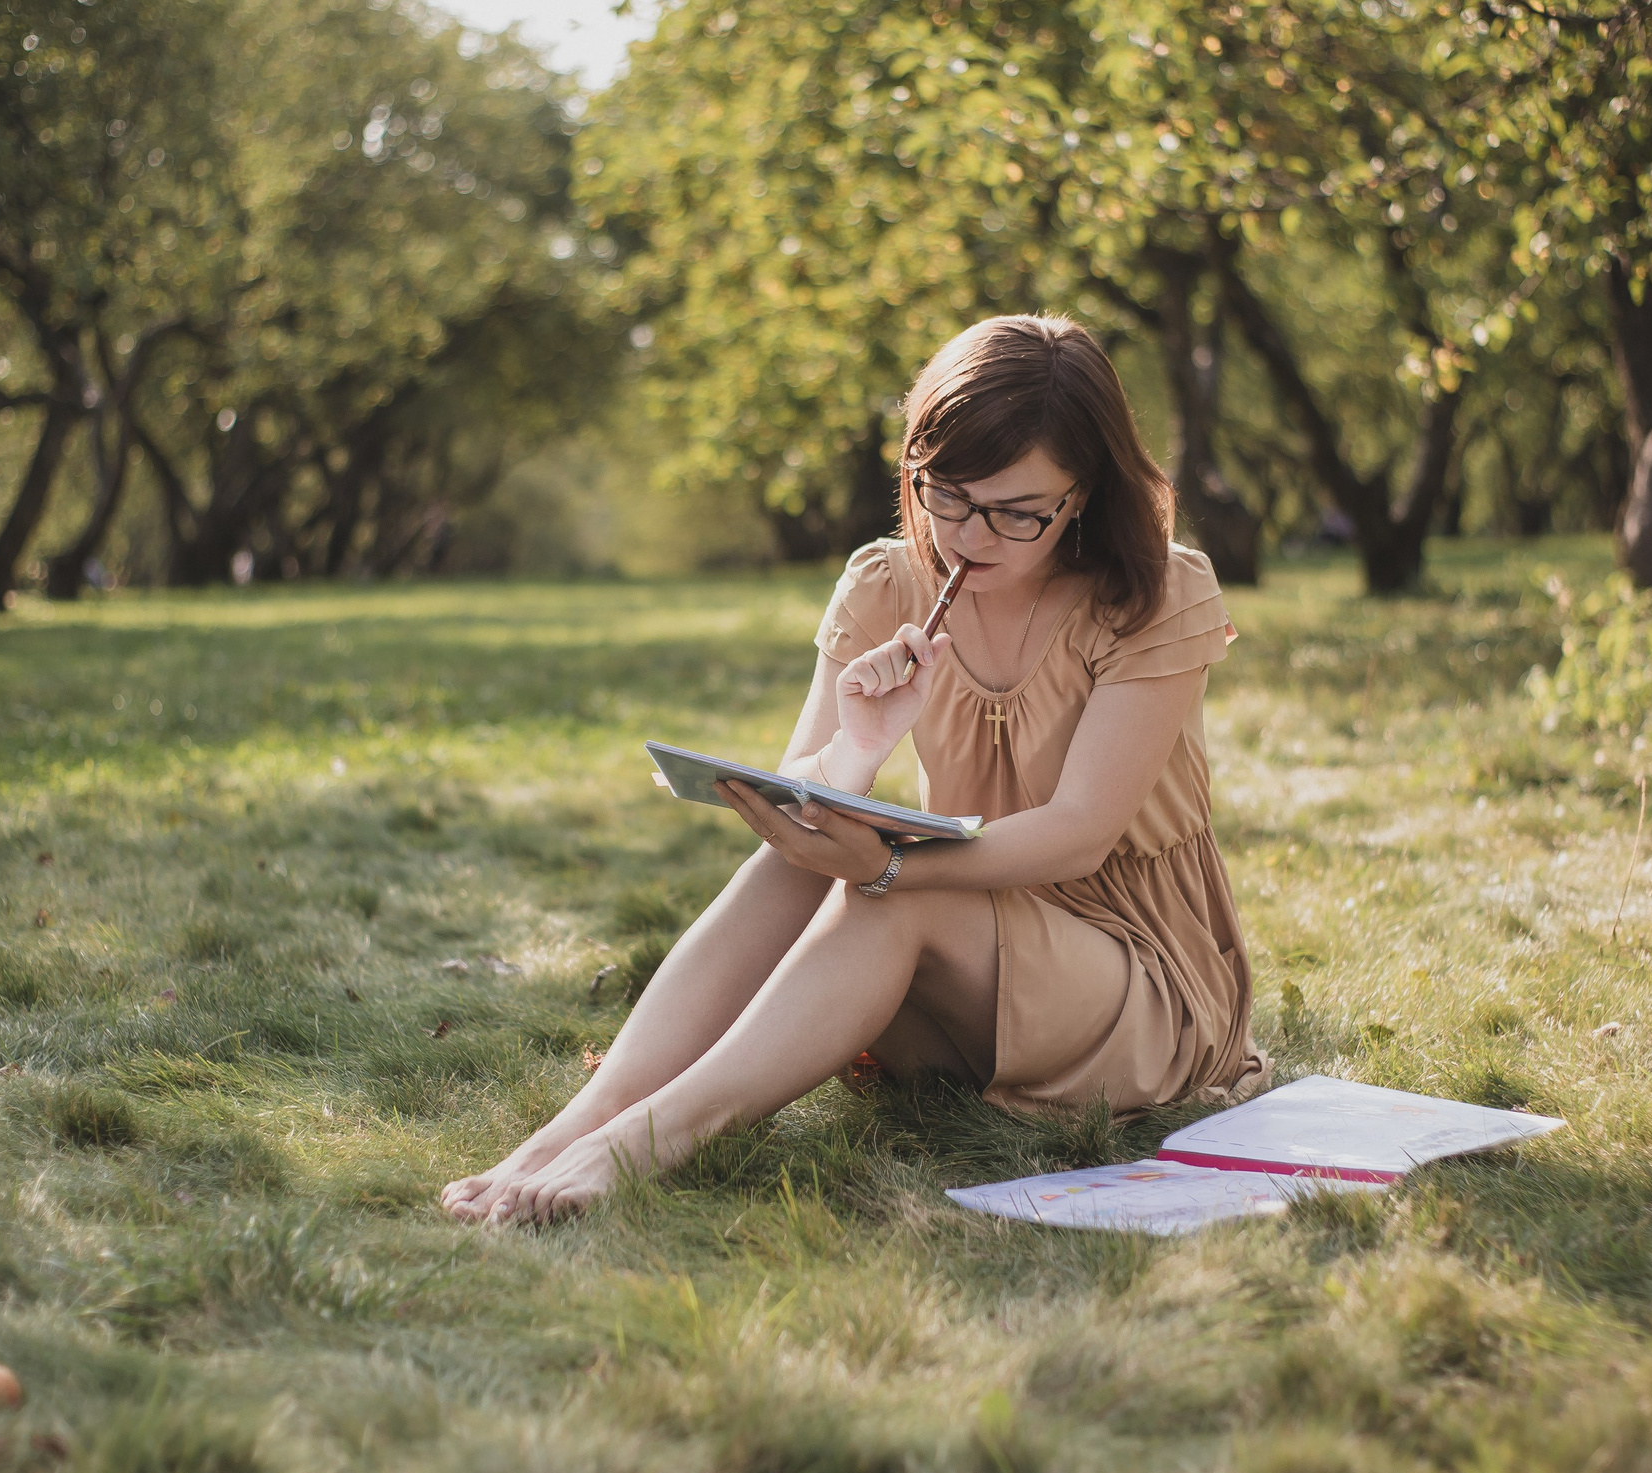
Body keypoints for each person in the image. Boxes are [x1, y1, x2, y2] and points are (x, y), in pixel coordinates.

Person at [443, 316, 1257, 1225]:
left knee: (890, 891)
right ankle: (585, 1120)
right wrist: (860, 750)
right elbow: (804, 798)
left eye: (1015, 512)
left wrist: (890, 864)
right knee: (802, 856)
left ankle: (643, 1142)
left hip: (1133, 980)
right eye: (945, 495)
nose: (968, 536)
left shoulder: (1155, 595)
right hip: (960, 971)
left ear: (1085, 492)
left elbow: (1079, 831)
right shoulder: (884, 582)